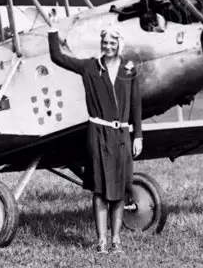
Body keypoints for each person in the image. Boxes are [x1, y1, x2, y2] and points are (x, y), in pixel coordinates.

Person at [48, 25, 143, 254]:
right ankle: (101, 241)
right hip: (98, 135)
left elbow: (136, 105)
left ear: (120, 44)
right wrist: (53, 29)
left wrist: (137, 135)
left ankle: (116, 240)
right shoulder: (90, 67)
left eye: (113, 43)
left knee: (119, 189)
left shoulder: (129, 70)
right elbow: (57, 57)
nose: (108, 47)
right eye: (105, 43)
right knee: (100, 190)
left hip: (121, 136)